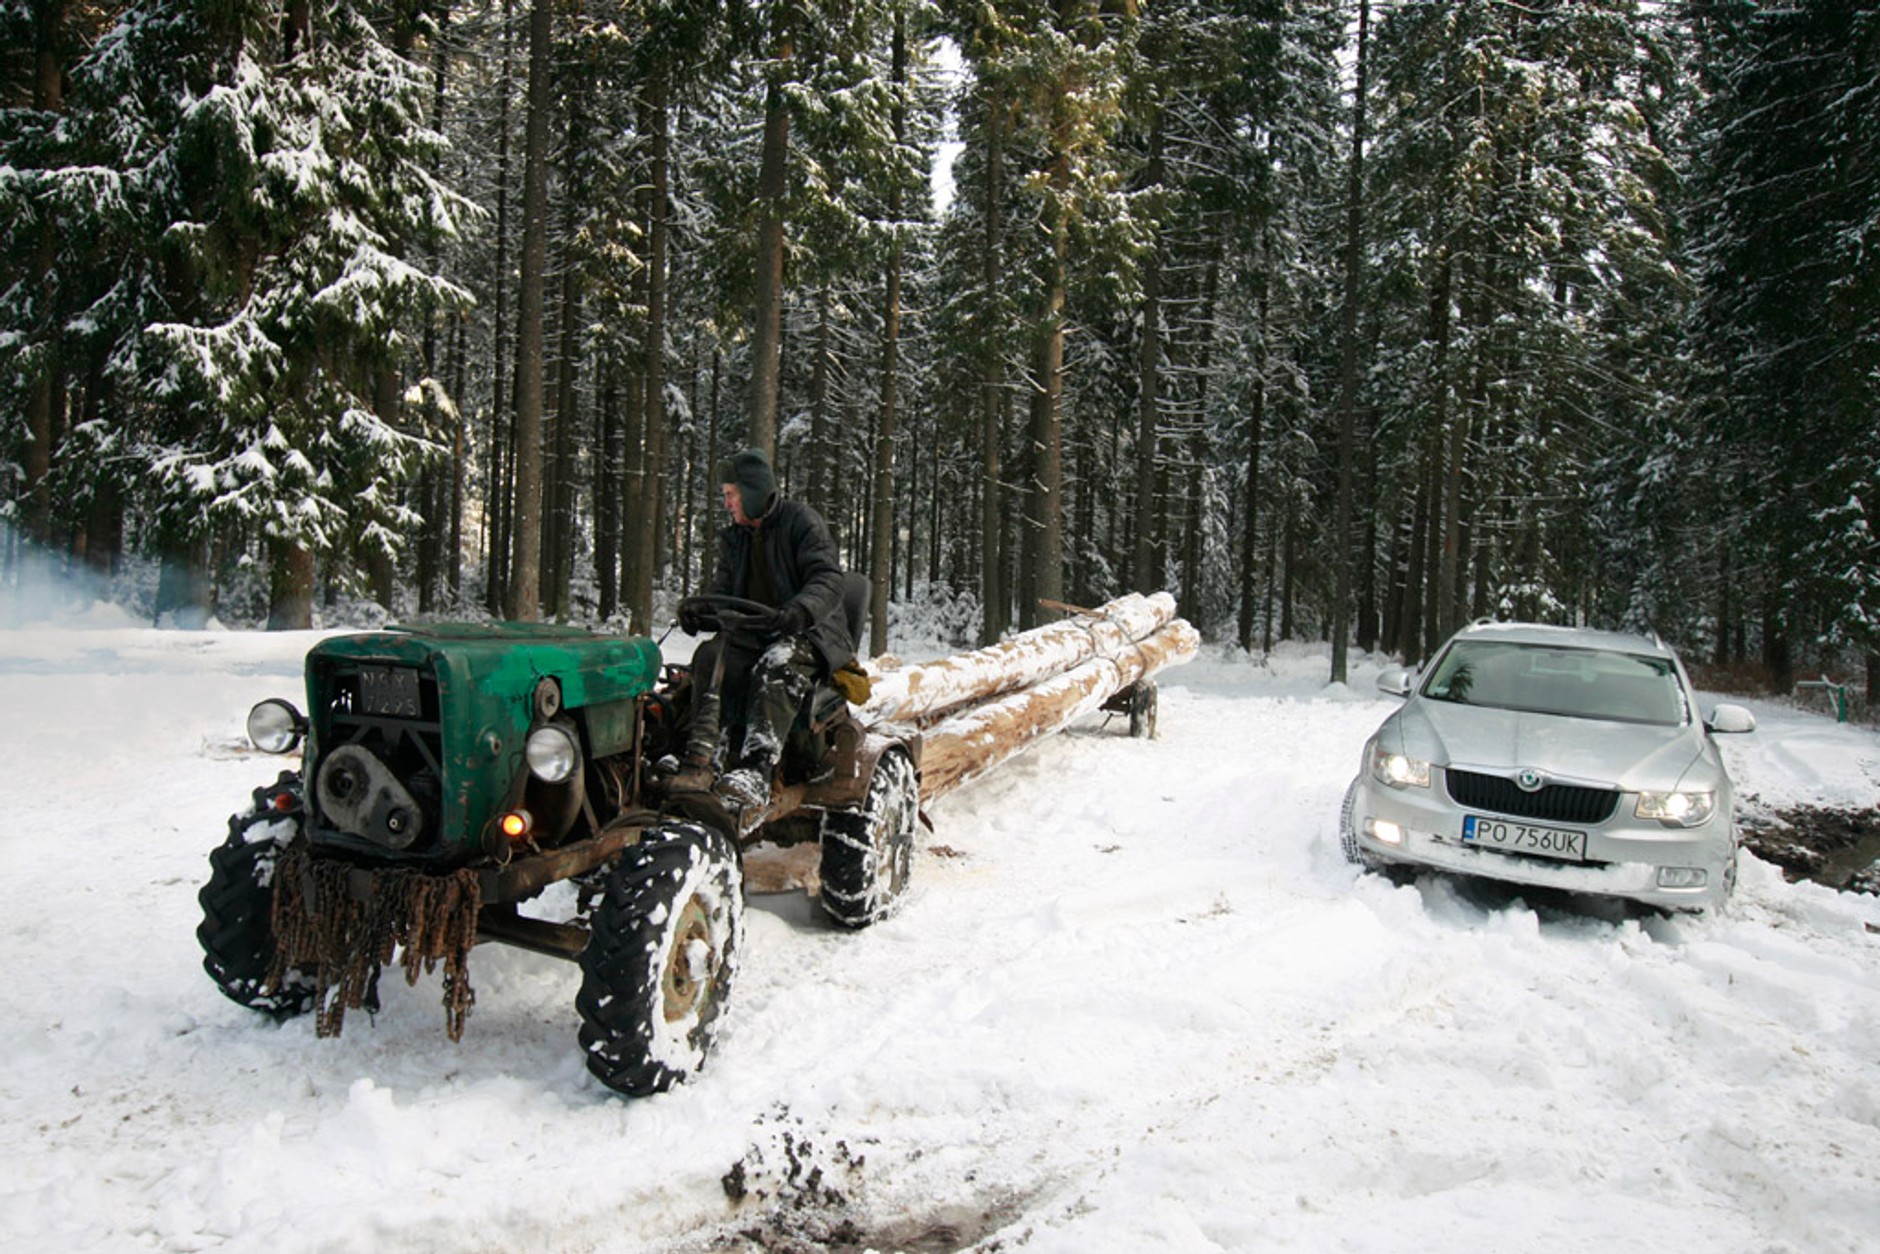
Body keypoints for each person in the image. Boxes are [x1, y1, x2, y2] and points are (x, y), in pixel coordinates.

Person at [670, 448, 857, 812]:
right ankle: (710, 752)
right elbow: (723, 590)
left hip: (810, 633)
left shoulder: (801, 522)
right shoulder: (735, 538)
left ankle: (758, 767)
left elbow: (828, 579)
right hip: (754, 631)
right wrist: (699, 610)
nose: (726, 504)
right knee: (710, 657)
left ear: (752, 493)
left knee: (777, 664)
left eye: (731, 495)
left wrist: (800, 610)